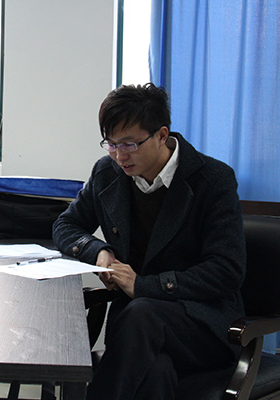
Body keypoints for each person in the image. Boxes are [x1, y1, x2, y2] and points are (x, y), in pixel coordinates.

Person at [53, 83, 246, 399]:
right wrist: (99, 251)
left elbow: (226, 270)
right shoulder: (107, 173)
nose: (120, 156)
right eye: (111, 144)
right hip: (138, 332)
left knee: (143, 313)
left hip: (201, 325)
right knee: (155, 373)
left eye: (130, 144)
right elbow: (66, 224)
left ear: (161, 135)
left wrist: (145, 286)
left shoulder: (213, 179)